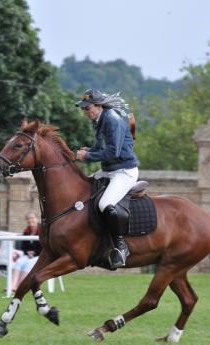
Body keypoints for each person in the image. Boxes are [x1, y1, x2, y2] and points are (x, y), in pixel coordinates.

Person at [75, 88, 139, 268]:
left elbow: (112, 152)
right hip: (109, 170)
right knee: (83, 190)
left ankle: (121, 245)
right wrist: (89, 151)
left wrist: (87, 157)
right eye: (83, 109)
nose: (85, 111)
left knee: (105, 204)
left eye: (87, 108)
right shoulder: (97, 119)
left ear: (98, 106)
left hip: (124, 171)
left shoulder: (112, 120)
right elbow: (101, 147)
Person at [12, 212, 42, 292]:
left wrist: (34, 253)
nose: (30, 220)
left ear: (37, 219)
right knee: (18, 263)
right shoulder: (26, 231)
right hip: (28, 255)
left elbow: (44, 246)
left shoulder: (42, 230)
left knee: (28, 264)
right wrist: (27, 252)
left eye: (32, 218)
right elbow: (23, 246)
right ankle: (13, 286)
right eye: (28, 218)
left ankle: (20, 286)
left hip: (40, 256)